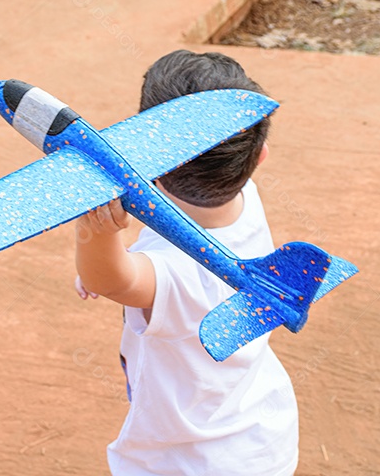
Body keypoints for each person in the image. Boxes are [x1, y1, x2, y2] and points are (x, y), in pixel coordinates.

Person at [73, 49, 298, 476]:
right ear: (258, 158)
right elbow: (114, 273)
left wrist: (99, 235)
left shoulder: (175, 275)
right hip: (259, 434)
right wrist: (102, 256)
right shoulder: (240, 196)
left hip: (188, 463)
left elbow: (107, 278)